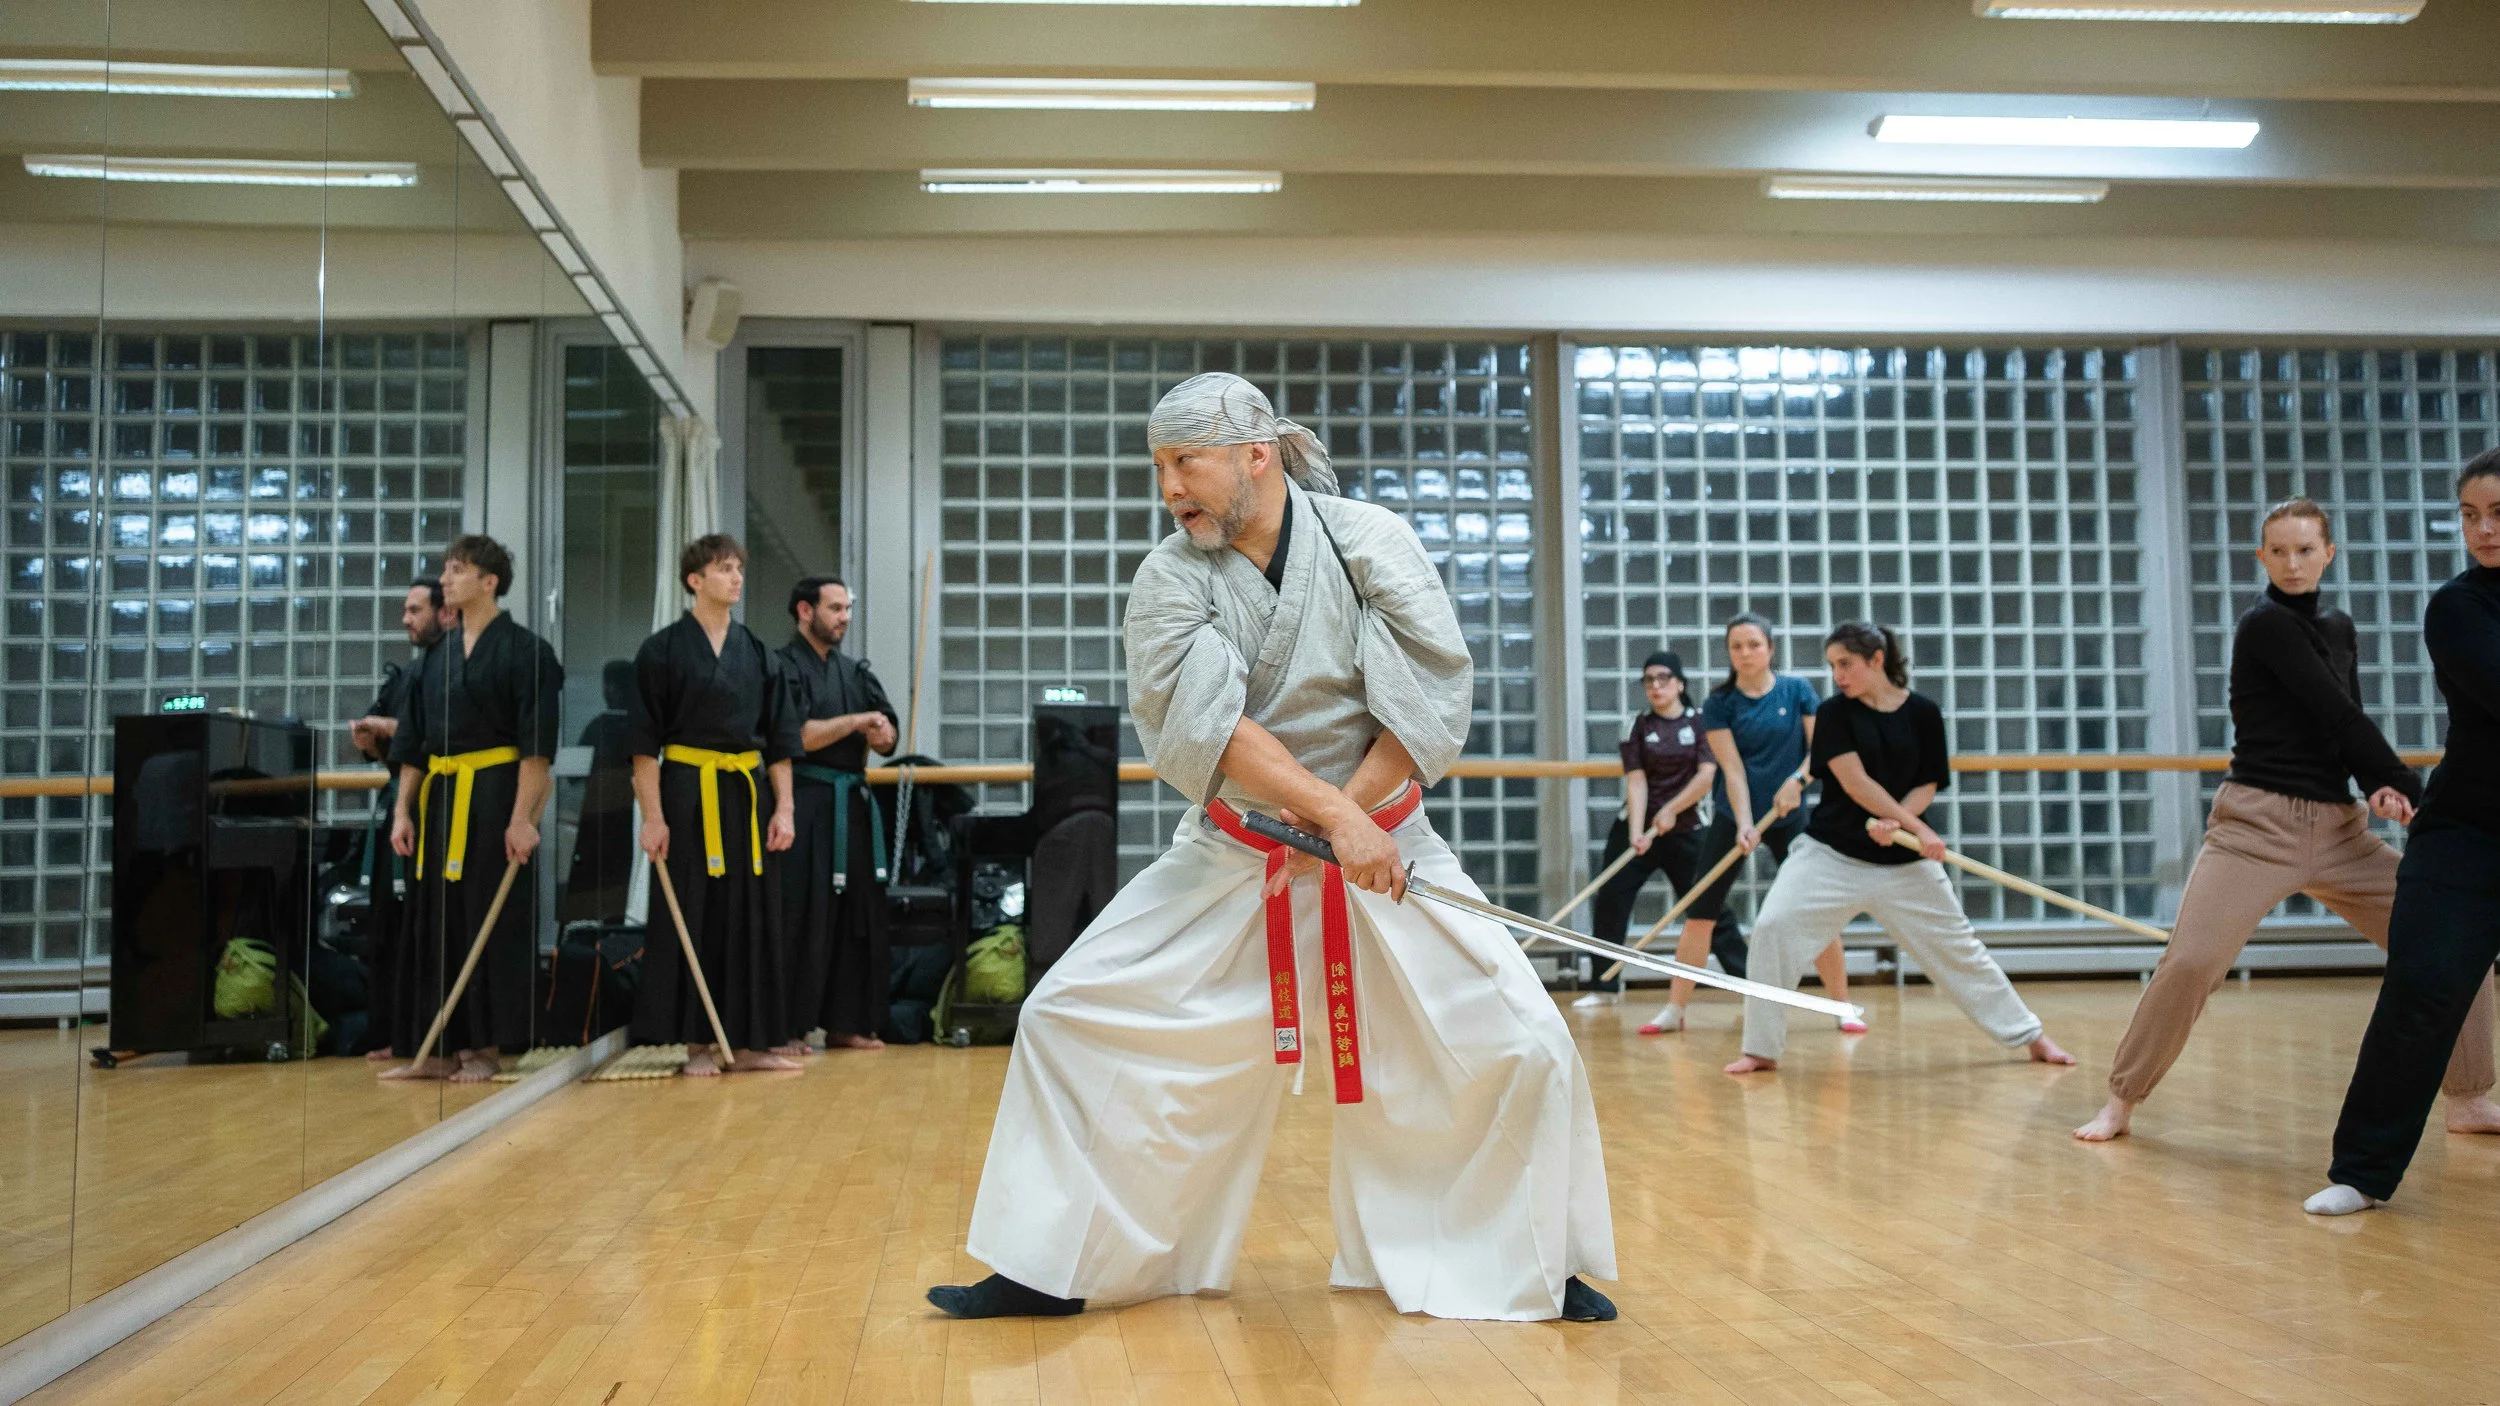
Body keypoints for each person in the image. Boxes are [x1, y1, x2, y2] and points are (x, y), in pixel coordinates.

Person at [927, 372, 1617, 1323]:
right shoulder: (1172, 576)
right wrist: (1322, 818)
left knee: (1523, 1039)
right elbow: (1214, 727)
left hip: (1387, 844)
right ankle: (1055, 1266)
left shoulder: (1368, 540)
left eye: (1186, 461)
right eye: (1159, 467)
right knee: (1069, 1013)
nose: (1170, 488)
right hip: (1238, 852)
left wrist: (1347, 821)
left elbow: (1425, 699)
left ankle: (1526, 1263)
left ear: (1257, 453)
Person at [2080, 498, 2495, 1141]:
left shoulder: (2339, 627)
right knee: (2192, 963)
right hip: (2256, 830)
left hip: (2341, 833)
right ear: (2262, 557)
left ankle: (2469, 1098)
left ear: (2328, 554)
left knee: (2453, 939)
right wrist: (2409, 785)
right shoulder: (2265, 626)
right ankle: (2120, 1100)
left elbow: (2346, 716)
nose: (2292, 563)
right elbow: (2334, 710)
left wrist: (2378, 787)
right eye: (2278, 551)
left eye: (2305, 550)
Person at [1724, 621, 2073, 1076]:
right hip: (1830, 855)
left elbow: (1928, 781)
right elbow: (1855, 782)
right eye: (1832, 666)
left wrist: (1901, 823)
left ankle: (2030, 1036)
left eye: (1846, 664)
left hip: (1904, 863)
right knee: (1773, 927)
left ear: (1877, 659)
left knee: (1959, 949)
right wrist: (1914, 826)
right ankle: (1761, 1049)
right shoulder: (1833, 713)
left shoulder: (1923, 713)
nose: (1838, 676)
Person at [2306, 451, 2500, 1215]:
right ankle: (2362, 1170)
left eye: (2499, 514)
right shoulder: (2458, 606)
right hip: (2466, 834)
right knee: (2423, 989)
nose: (2484, 530)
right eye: (2470, 515)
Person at [382, 539, 561, 1082]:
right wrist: (402, 812)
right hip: (440, 801)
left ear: (489, 582)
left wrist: (521, 819)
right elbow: (413, 745)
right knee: (435, 921)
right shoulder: (434, 660)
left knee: (488, 918)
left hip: (494, 798)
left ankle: (483, 1049)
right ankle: (437, 1049)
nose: (446, 580)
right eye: (446, 570)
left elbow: (536, 749)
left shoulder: (527, 652)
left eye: (457, 570)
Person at [627, 535, 804, 1076]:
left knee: (752, 914)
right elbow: (643, 749)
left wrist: (784, 809)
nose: (736, 578)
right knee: (693, 909)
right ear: (695, 580)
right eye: (724, 569)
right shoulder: (661, 651)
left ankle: (749, 1045)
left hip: (746, 796)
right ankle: (698, 1045)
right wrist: (653, 818)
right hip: (686, 793)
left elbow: (780, 743)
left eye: (738, 569)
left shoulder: (759, 654)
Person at [1641, 615, 1859, 1036]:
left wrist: (1796, 783)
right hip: (1733, 815)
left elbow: (1819, 751)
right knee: (1700, 911)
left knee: (1818, 912)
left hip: (1790, 814)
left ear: (1770, 649)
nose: (1745, 653)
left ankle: (1842, 1005)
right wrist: (1743, 823)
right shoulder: (1720, 703)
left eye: (1754, 645)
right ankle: (1674, 1009)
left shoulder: (1797, 691)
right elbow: (1733, 770)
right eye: (1736, 646)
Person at [776, 575, 900, 1056]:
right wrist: (856, 722)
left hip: (853, 803)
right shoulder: (784, 667)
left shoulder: (855, 672)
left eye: (847, 609)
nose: (844, 618)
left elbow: (887, 738)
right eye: (835, 608)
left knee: (857, 914)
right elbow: (798, 736)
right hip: (806, 802)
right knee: (803, 912)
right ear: (805, 611)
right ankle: (790, 1026)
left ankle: (847, 1023)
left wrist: (882, 734)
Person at [1573, 650, 1715, 1008]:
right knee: (1611, 900)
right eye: (1649, 680)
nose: (1655, 686)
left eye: (1663, 678)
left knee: (1709, 904)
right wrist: (1637, 833)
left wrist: (1671, 810)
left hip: (1686, 828)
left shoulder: (1701, 723)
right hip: (1637, 827)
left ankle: (1744, 980)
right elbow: (1635, 782)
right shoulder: (1636, 724)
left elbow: (1706, 776)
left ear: (1680, 684)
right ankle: (1605, 986)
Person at [351, 578, 447, 1059]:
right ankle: (391, 1030)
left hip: (439, 802)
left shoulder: (450, 669)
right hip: (400, 805)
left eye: (415, 610)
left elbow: (430, 737)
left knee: (424, 922)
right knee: (388, 925)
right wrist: (371, 740)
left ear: (443, 612)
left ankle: (426, 1032)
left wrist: (394, 729)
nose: (406, 619)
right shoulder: (406, 675)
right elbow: (390, 747)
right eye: (405, 610)